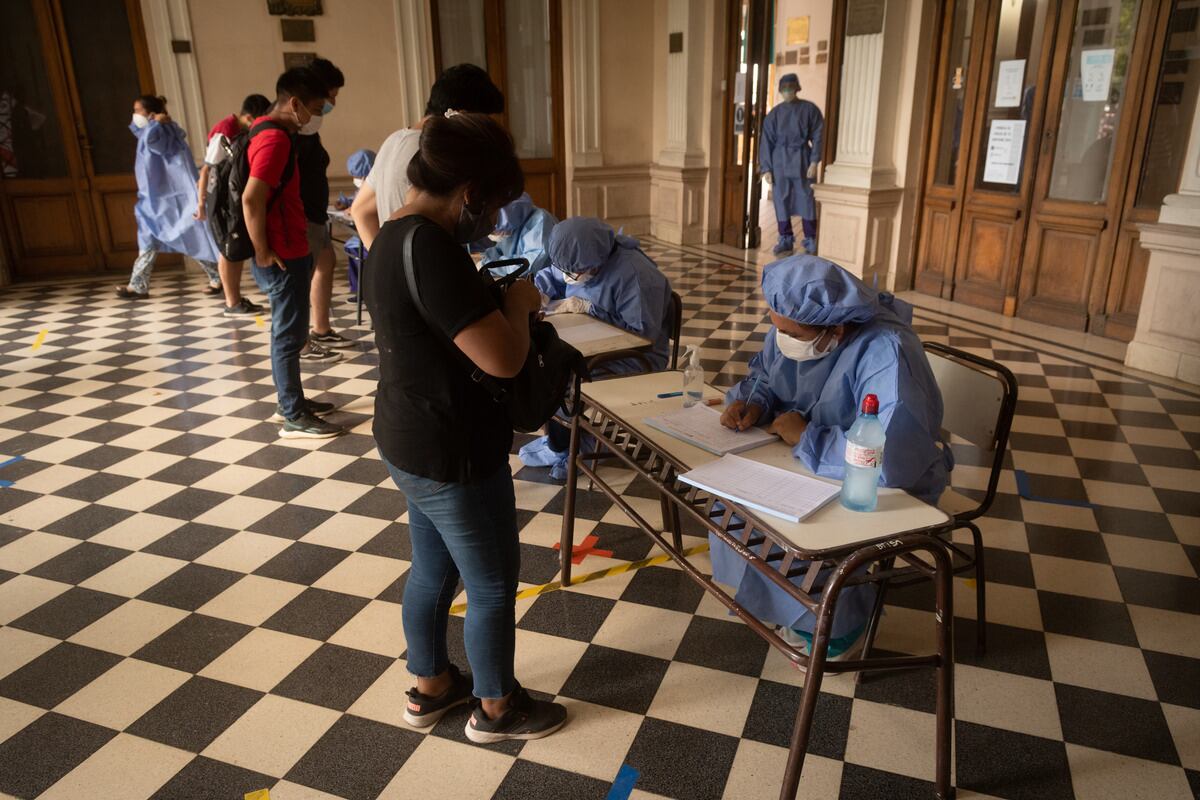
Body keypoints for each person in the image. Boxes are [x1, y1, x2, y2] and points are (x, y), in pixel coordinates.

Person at [364, 111, 567, 742]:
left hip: (407, 437)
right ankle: (497, 709)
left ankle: (431, 685)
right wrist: (518, 301)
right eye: (496, 203)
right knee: (491, 583)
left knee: (432, 568)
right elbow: (503, 361)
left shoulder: (390, 234)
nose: (498, 219)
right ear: (470, 193)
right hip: (452, 449)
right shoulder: (434, 250)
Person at [713, 255, 953, 659]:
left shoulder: (887, 352)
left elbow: (889, 457)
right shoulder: (796, 326)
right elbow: (766, 374)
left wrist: (808, 437)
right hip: (806, 459)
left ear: (835, 329)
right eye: (776, 327)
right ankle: (784, 608)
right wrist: (752, 403)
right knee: (737, 505)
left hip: (880, 483)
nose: (780, 337)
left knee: (802, 527)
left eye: (789, 332)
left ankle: (839, 630)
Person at [518, 217, 673, 479]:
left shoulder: (636, 276)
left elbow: (643, 334)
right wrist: (539, 293)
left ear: (596, 261)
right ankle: (561, 442)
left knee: (562, 379)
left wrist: (591, 309)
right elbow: (557, 274)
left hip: (634, 357)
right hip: (590, 345)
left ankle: (579, 447)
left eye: (575, 272)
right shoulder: (579, 256)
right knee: (543, 365)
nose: (570, 276)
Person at [244, 68, 344, 439]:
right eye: (318, 106)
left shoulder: (267, 131)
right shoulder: (276, 140)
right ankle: (292, 414)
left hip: (290, 247)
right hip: (283, 253)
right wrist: (263, 251)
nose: (320, 113)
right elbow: (251, 197)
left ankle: (292, 399)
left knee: (291, 332)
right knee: (288, 336)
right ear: (295, 103)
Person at [350, 64, 505, 250]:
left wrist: (383, 261)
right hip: (430, 258)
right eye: (480, 121)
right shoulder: (435, 150)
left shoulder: (393, 140)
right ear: (462, 114)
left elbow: (360, 210)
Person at [116, 95, 223, 300]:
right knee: (150, 240)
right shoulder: (152, 129)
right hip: (154, 200)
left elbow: (154, 143)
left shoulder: (162, 132)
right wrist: (155, 123)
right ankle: (138, 284)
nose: (134, 115)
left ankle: (217, 276)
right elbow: (140, 132)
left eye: (137, 110)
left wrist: (157, 124)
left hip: (171, 201)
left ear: (150, 113)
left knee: (188, 239)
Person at [194, 93, 271, 316]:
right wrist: (201, 203)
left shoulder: (238, 129)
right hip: (220, 201)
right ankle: (232, 302)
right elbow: (207, 169)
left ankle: (236, 298)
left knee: (235, 250)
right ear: (247, 116)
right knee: (229, 249)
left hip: (229, 199)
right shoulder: (224, 131)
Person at [295, 58, 350, 360]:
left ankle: (321, 329)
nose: (331, 103)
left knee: (325, 262)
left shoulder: (310, 128)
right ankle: (300, 342)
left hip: (314, 213)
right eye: (330, 96)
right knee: (299, 280)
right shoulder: (289, 132)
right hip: (300, 216)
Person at [760, 73, 824, 256]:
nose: (787, 92)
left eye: (790, 88)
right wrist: (767, 168)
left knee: (806, 199)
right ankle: (785, 238)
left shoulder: (810, 110)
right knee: (781, 200)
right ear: (780, 91)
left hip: (802, 160)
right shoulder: (774, 115)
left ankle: (810, 238)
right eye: (784, 89)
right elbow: (766, 141)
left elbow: (819, 136)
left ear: (797, 88)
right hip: (779, 161)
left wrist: (814, 161)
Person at [479, 192, 557, 277]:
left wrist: (488, 267)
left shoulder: (540, 222)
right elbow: (499, 251)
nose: (491, 231)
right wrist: (484, 259)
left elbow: (527, 267)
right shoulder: (512, 224)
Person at [339, 148, 375, 303]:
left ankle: (368, 291)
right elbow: (354, 198)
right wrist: (345, 203)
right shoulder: (362, 187)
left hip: (372, 235)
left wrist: (354, 209)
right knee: (352, 246)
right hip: (359, 236)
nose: (356, 179)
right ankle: (359, 290)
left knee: (359, 249)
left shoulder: (375, 187)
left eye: (358, 176)